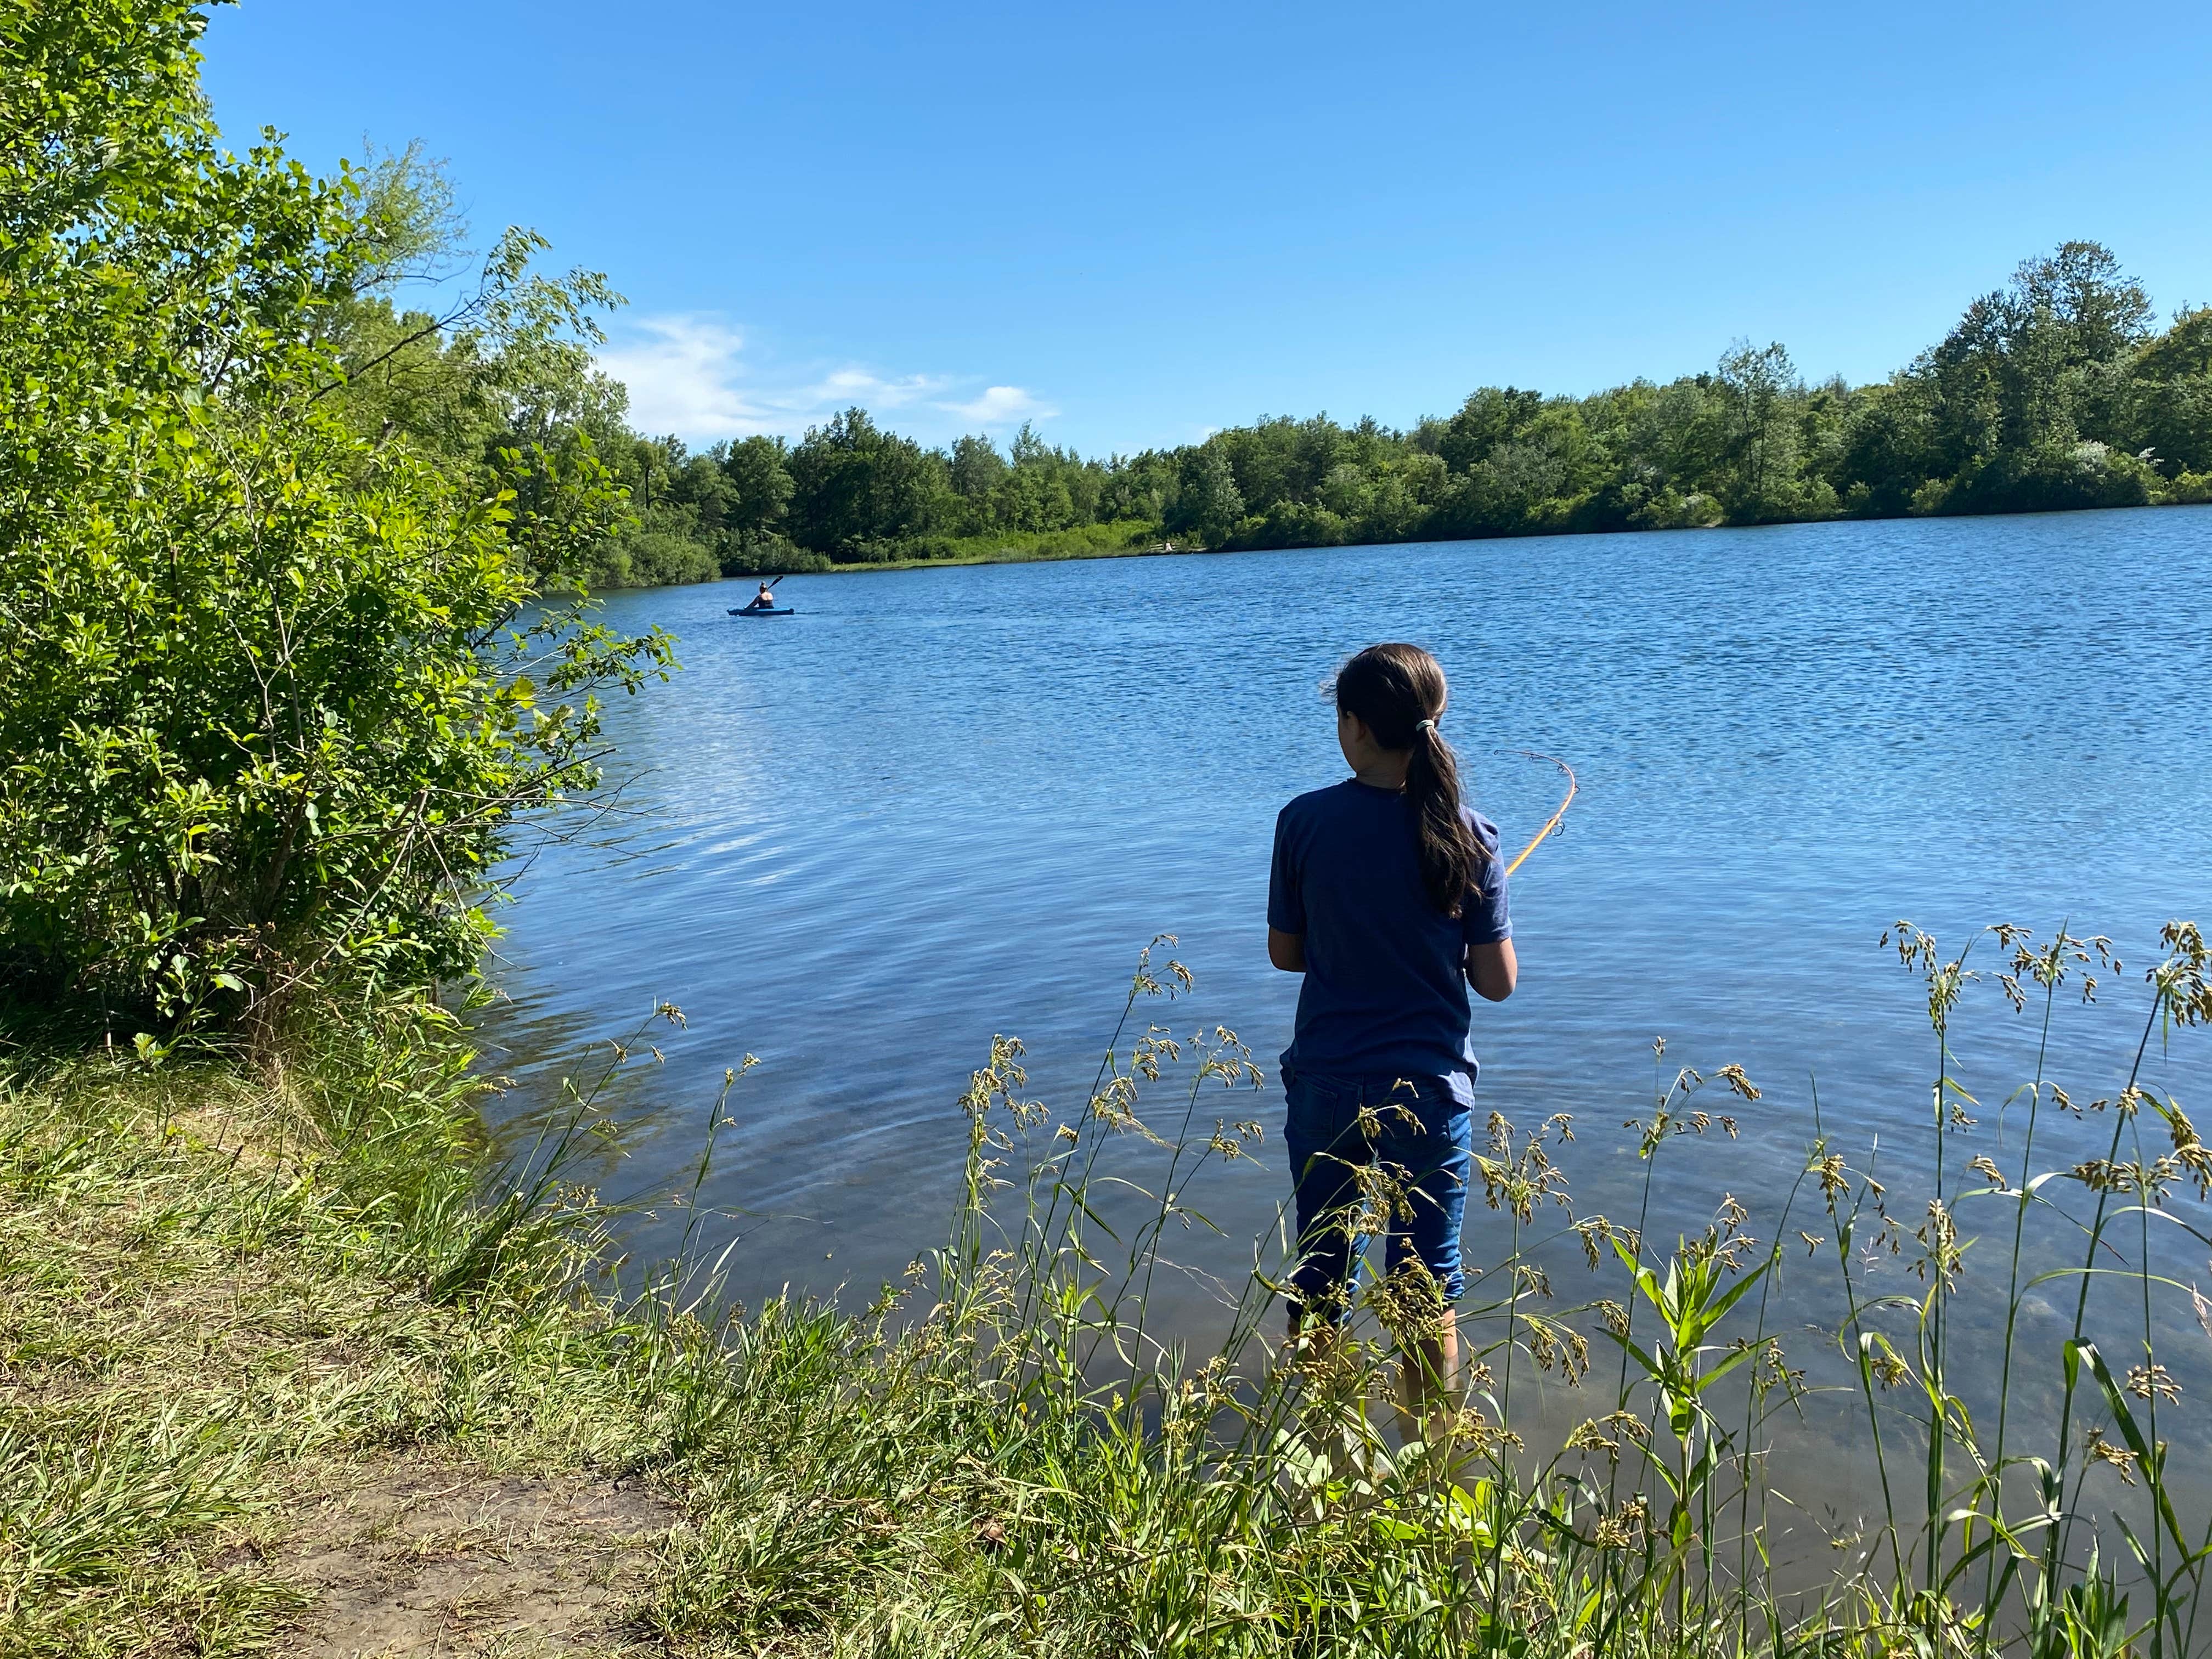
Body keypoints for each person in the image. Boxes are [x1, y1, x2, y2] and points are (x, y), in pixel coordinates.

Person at [1266, 641, 1517, 1439]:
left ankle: (1322, 1454)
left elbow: (1286, 955)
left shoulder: (1303, 822)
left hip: (1327, 1084)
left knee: (1320, 1275)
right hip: (1430, 1091)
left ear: (1355, 726)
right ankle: (1429, 1463)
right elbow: (1497, 983)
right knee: (1425, 1288)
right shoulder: (1472, 837)